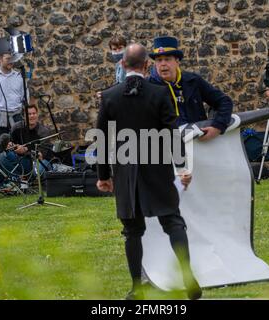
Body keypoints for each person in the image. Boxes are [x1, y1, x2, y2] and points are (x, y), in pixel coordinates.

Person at [96, 43, 202, 300]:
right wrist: (181, 167)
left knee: (132, 231)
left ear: (122, 65)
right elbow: (171, 133)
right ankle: (187, 277)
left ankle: (137, 286)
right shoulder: (160, 93)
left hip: (126, 171)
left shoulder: (109, 96)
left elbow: (102, 138)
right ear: (147, 65)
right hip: (157, 167)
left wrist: (103, 176)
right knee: (173, 222)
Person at [148, 36, 233, 141]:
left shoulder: (193, 81)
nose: (163, 64)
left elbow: (224, 101)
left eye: (167, 59)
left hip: (198, 145)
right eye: (159, 60)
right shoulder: (147, 87)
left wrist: (218, 126)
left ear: (177, 61)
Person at [0, 104, 52, 176]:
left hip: (39, 161)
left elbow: (41, 155)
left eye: (34, 113)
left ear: (37, 115)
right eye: (29, 114)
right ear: (23, 116)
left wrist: (25, 150)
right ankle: (17, 180)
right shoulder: (16, 127)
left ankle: (31, 180)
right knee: (3, 156)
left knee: (38, 171)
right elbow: (10, 144)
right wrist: (10, 146)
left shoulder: (43, 131)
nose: (32, 116)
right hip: (22, 160)